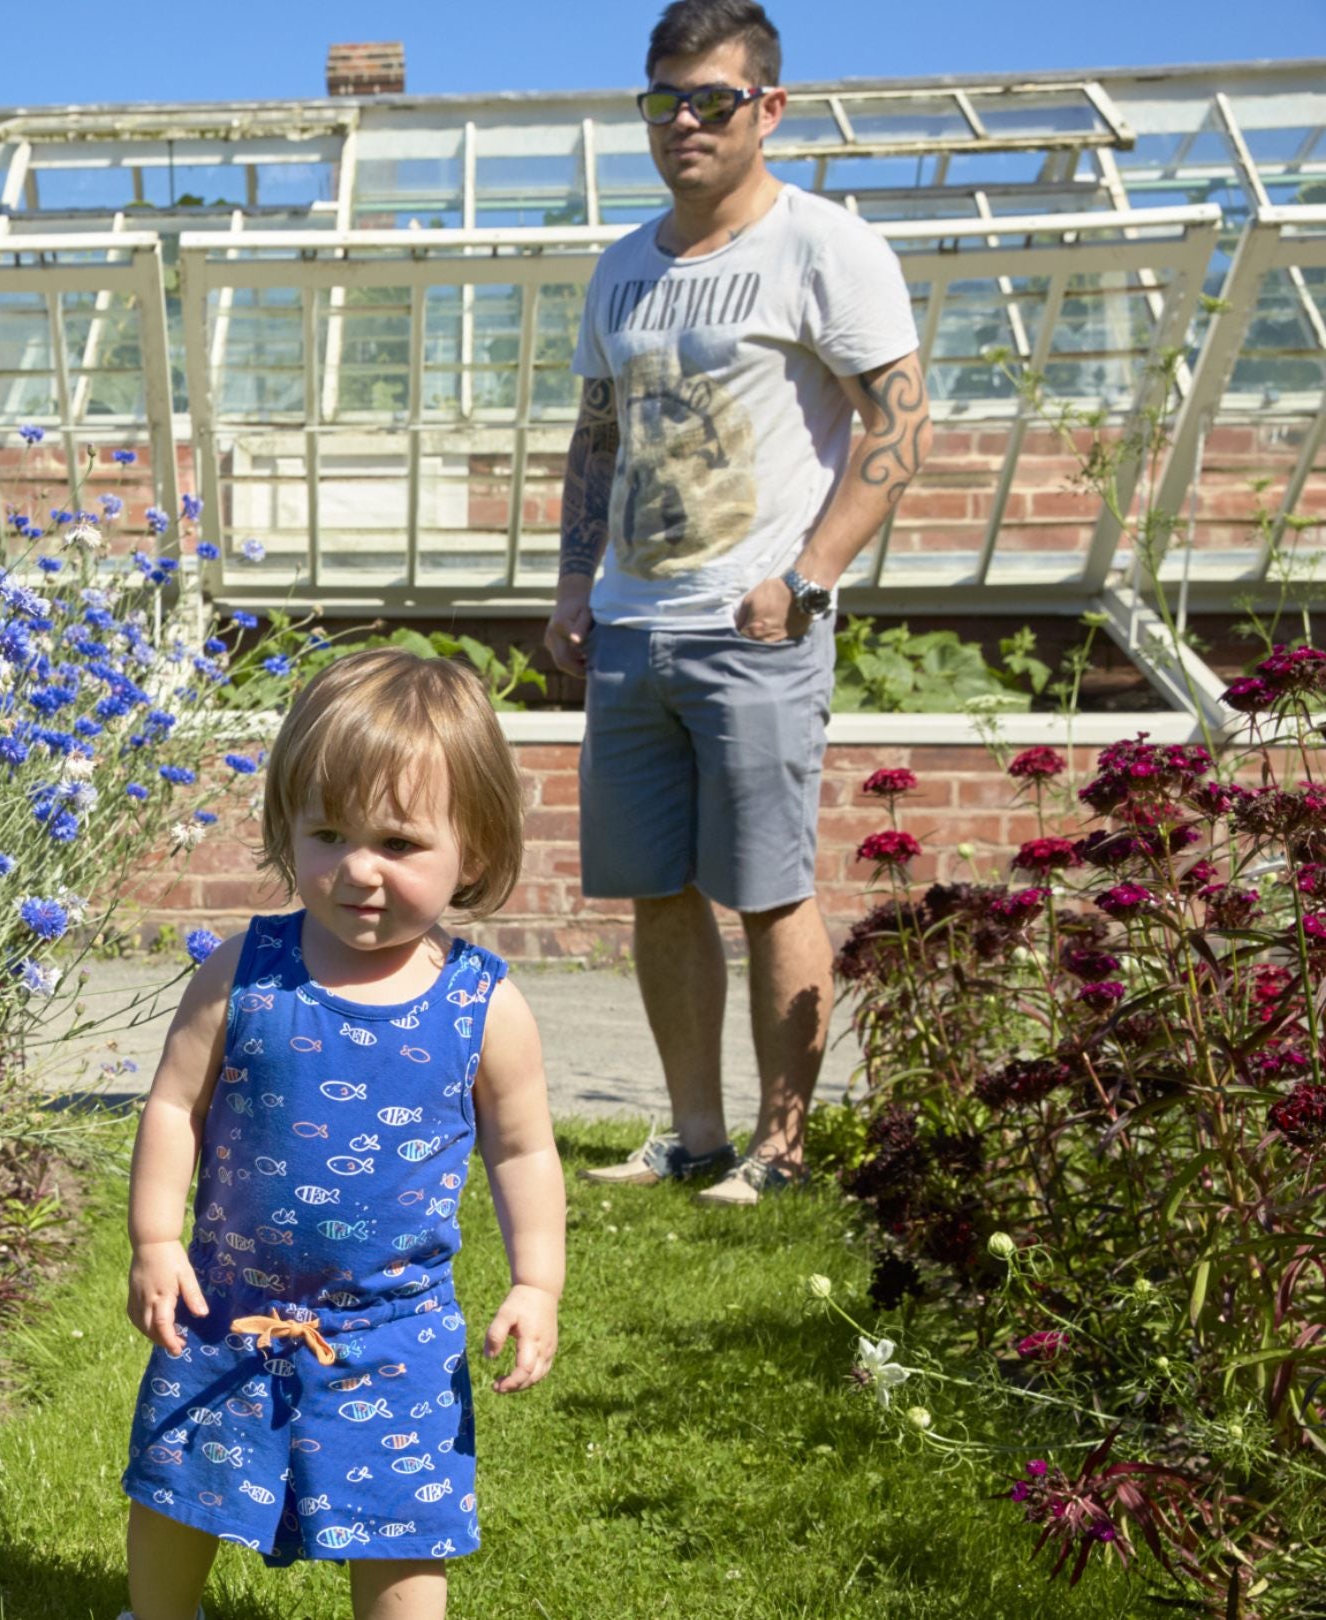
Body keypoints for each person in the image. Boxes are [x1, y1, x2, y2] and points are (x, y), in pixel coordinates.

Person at [543, 0, 932, 1205]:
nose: (685, 122)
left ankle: (784, 1145)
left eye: (712, 99)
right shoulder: (624, 265)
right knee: (658, 891)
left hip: (756, 623)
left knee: (769, 890)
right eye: (664, 99)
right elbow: (596, 436)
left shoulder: (827, 247)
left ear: (768, 108)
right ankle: (694, 1133)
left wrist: (807, 579)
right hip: (634, 621)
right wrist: (572, 583)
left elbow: (901, 425)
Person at [116, 650, 566, 1620]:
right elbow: (171, 1105)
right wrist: (156, 1240)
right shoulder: (246, 970)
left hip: (396, 1328)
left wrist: (537, 1283)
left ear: (473, 853)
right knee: (178, 1487)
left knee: (405, 1523)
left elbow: (524, 1151)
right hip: (225, 1306)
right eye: (327, 834)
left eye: (400, 843)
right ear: (286, 828)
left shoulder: (482, 1006)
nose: (359, 869)